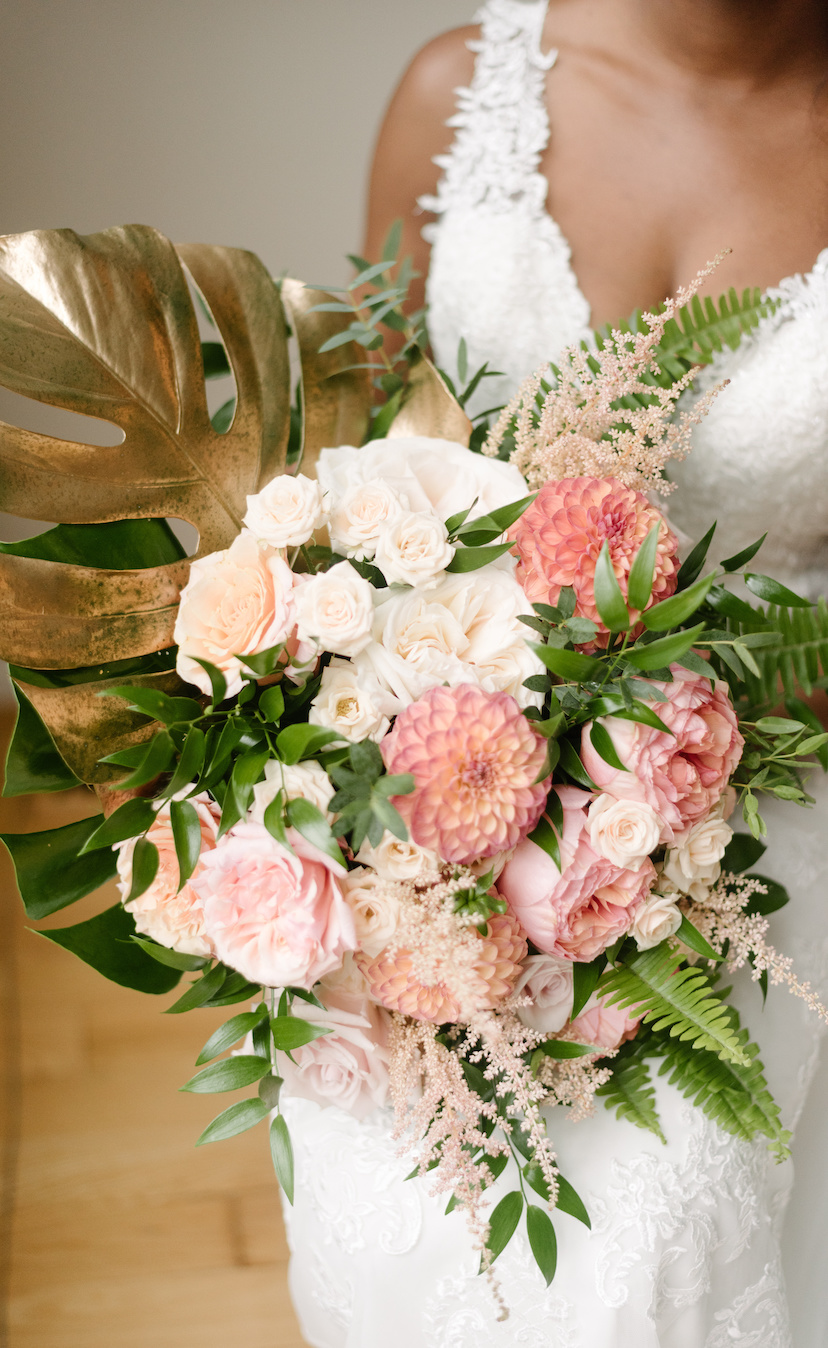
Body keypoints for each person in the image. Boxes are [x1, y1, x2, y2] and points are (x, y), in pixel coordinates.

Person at [281, 3, 828, 1344]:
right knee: (385, 1197)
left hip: (772, 758)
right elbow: (353, 476)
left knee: (648, 1244)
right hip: (429, 764)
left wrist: (665, 758)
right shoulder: (459, 90)